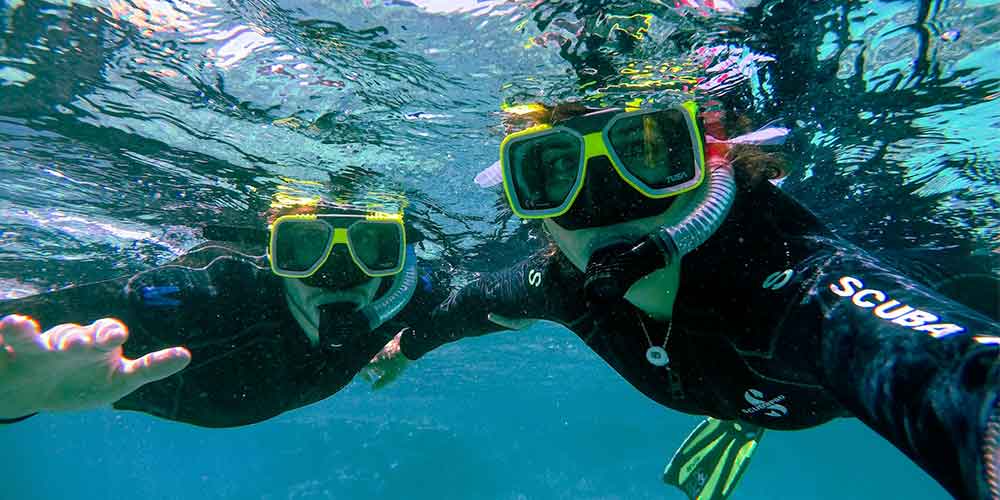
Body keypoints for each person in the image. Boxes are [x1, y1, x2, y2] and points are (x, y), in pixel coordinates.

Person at [369, 100, 1000, 499]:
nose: (603, 203)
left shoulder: (799, 286)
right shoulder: (561, 280)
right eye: (554, 172)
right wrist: (404, 348)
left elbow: (953, 377)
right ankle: (743, 411)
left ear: (714, 162)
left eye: (650, 151)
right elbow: (470, 305)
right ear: (524, 201)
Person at [0, 201, 447, 427]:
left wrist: (410, 346)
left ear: (397, 254)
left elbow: (478, 303)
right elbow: (22, 341)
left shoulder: (409, 291)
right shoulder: (206, 297)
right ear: (274, 254)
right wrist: (17, 398)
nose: (340, 278)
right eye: (305, 247)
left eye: (372, 247)